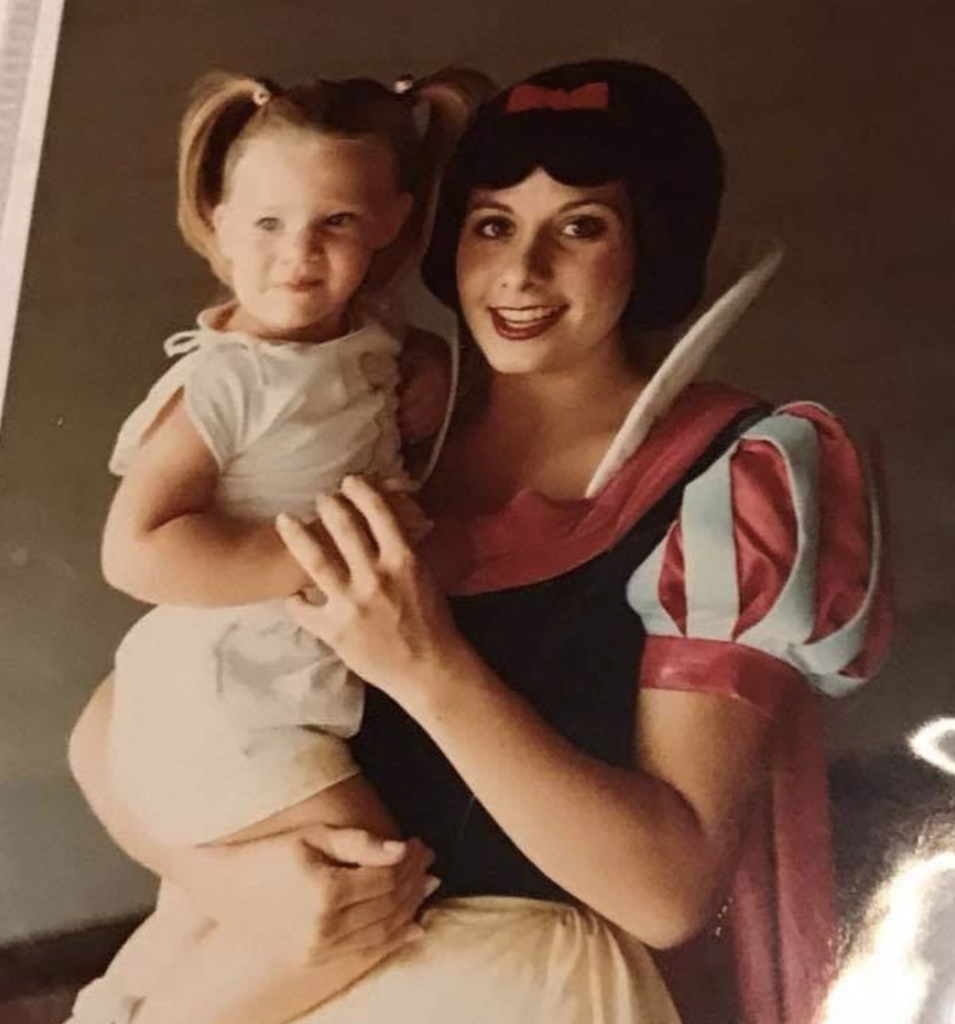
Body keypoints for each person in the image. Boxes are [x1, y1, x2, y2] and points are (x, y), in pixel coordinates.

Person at [69, 60, 892, 1024]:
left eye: (580, 227)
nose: (520, 272)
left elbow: (668, 893)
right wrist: (229, 881)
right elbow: (111, 726)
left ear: (654, 244)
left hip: (525, 987)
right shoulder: (385, 429)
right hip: (310, 954)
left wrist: (425, 666)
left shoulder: (722, 475)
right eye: (492, 225)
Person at [64, 66, 491, 1024]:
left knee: (202, 910)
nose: (297, 255)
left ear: (390, 222)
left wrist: (428, 365)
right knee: (372, 890)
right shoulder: (227, 382)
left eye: (335, 222)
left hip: (284, 692)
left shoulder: (367, 338)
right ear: (219, 224)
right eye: (266, 223)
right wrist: (326, 556)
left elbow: (376, 367)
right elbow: (136, 551)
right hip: (226, 702)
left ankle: (109, 1004)